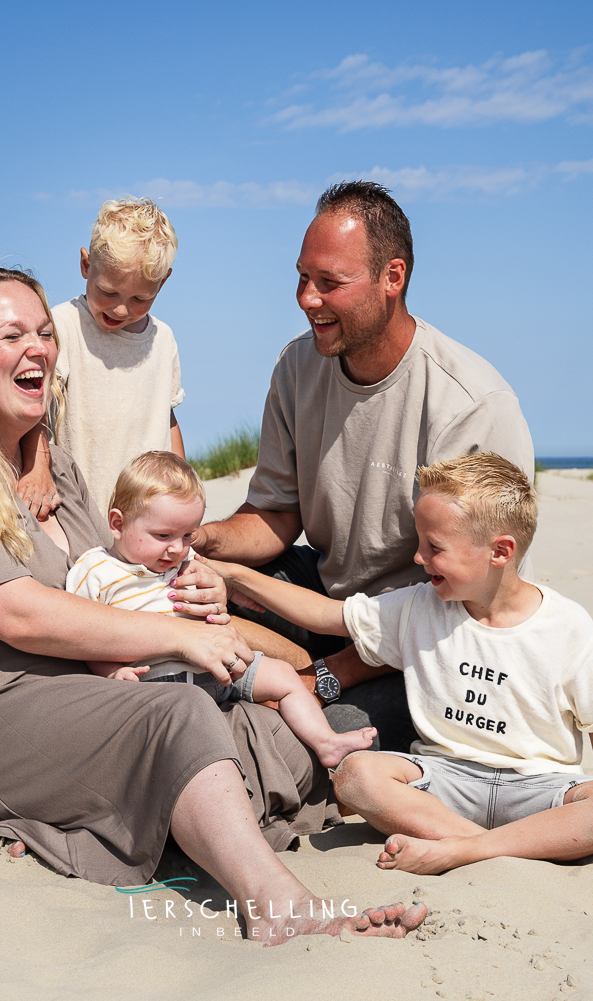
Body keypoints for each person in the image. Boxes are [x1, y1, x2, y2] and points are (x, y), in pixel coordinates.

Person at [0, 266, 425, 943]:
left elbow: (110, 569)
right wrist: (172, 639)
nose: (40, 348)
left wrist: (194, 590)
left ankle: (163, 822)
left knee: (266, 724)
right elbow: (17, 612)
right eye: (12, 334)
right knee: (179, 713)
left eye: (46, 333)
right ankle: (275, 903)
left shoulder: (50, 466)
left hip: (70, 681)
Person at [207, 452, 593, 875]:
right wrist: (235, 574)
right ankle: (476, 844)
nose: (418, 556)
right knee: (356, 776)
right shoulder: (420, 606)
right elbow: (328, 616)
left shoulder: (567, 626)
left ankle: (463, 849)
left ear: (500, 552)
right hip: (445, 780)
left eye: (434, 547)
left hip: (539, 789)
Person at [193, 180, 536, 753]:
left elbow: (473, 596)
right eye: (303, 277)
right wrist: (202, 542)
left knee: (322, 739)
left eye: (330, 283)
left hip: (425, 632)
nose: (307, 298)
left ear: (392, 278)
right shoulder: (298, 365)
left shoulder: (471, 405)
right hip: (322, 599)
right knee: (180, 596)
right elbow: (277, 514)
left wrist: (325, 678)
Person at [66, 450, 377, 768]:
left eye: (187, 535)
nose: (176, 548)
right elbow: (84, 634)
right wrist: (111, 673)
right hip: (156, 681)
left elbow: (215, 586)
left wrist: (227, 594)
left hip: (221, 668)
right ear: (118, 524)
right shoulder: (96, 570)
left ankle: (326, 742)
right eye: (163, 535)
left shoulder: (185, 561)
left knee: (284, 676)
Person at [16, 197, 185, 520]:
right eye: (108, 291)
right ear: (86, 265)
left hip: (149, 510)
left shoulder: (162, 339)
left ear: (162, 283)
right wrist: (37, 467)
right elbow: (37, 409)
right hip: (79, 503)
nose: (121, 309)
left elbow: (168, 418)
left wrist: (183, 482)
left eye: (140, 298)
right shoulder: (61, 326)